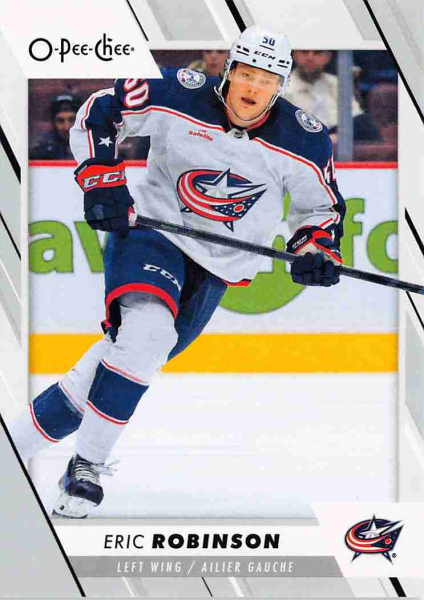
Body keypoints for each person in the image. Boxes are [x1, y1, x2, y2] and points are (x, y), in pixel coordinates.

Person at [11, 26, 346, 519]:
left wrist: (317, 249)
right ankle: (87, 466)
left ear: (280, 86)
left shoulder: (303, 137)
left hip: (217, 268)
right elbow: (100, 111)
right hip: (151, 234)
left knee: (114, 366)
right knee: (147, 335)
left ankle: (11, 452)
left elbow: (322, 209)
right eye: (246, 74)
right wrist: (103, 182)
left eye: (266, 80)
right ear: (228, 70)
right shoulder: (178, 92)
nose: (253, 88)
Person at [30, 94, 81, 160]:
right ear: (53, 123)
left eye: (72, 120)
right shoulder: (43, 150)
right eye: (60, 121)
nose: (66, 127)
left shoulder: (90, 145)